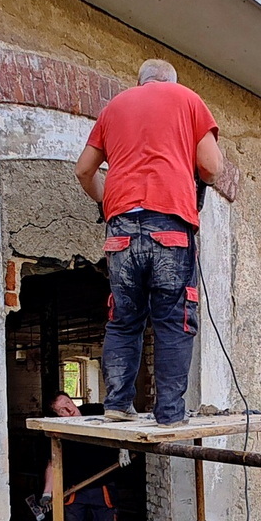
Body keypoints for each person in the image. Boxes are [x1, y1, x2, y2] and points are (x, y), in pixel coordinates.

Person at [74, 59, 237, 428]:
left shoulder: (113, 109)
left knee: (123, 318)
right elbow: (211, 167)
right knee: (173, 319)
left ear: (141, 82)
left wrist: (106, 201)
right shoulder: (187, 99)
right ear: (170, 81)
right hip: (170, 226)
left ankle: (116, 403)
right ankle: (169, 413)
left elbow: (84, 170)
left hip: (121, 232)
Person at [42, 392, 119, 521]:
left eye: (69, 403)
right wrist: (47, 493)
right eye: (62, 410)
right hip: (74, 490)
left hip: (103, 487)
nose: (69, 410)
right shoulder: (58, 430)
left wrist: (124, 446)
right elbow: (52, 463)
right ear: (57, 416)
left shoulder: (96, 411)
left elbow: (121, 416)